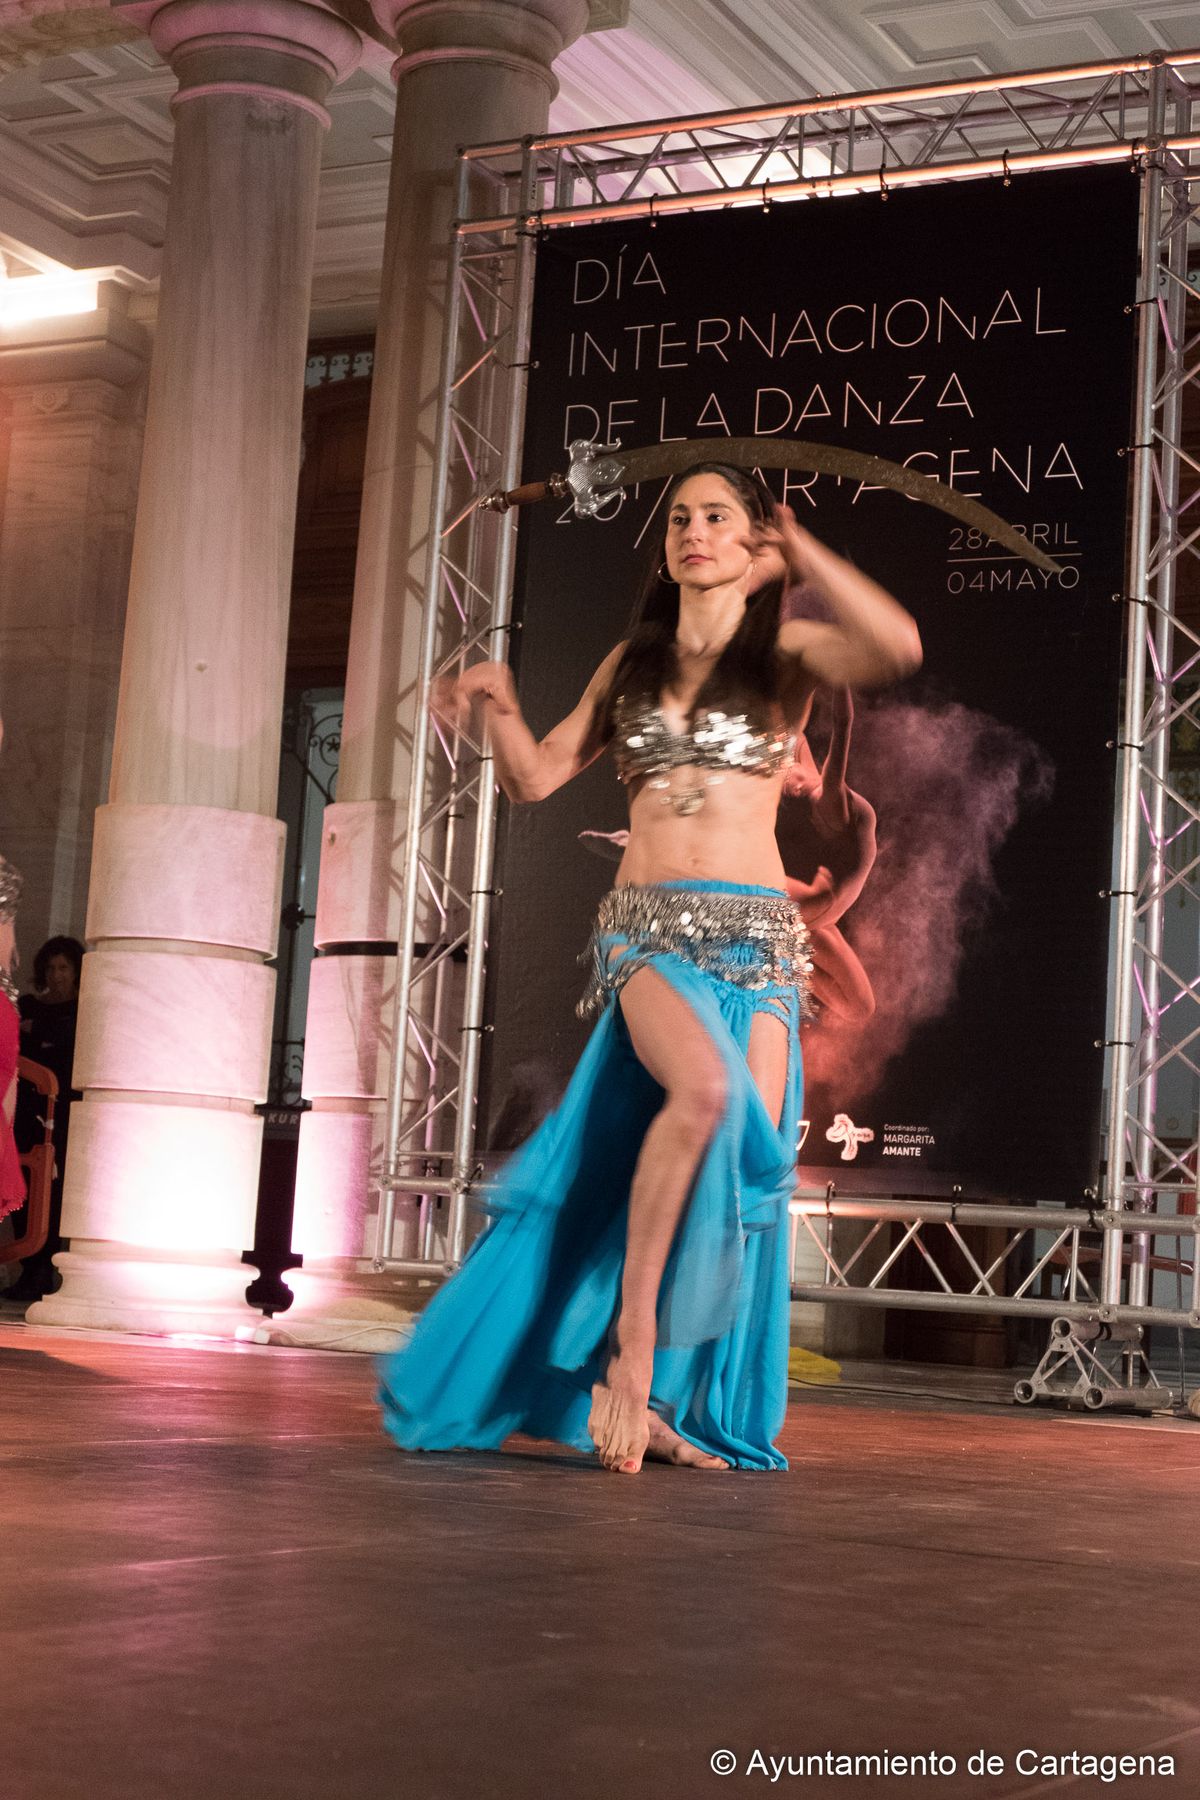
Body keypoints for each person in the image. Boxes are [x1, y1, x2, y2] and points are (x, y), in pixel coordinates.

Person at [378, 462, 921, 1472]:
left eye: (716, 517)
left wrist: (806, 552)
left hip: (761, 939)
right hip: (649, 930)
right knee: (704, 1093)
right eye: (678, 519)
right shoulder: (631, 661)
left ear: (753, 541)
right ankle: (628, 1354)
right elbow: (538, 777)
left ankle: (665, 1401)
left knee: (744, 1175)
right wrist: (498, 705)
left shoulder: (786, 655)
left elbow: (898, 645)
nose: (693, 533)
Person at [9, 935, 84, 1298]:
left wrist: (38, 1032)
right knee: (22, 1183)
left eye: (64, 968)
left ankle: (45, 1269)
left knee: (54, 1191)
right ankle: (28, 1268)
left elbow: (69, 1047)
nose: (56, 975)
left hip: (63, 1113)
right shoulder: (28, 1005)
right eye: (51, 968)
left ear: (76, 971)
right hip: (25, 1110)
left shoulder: (84, 1010)